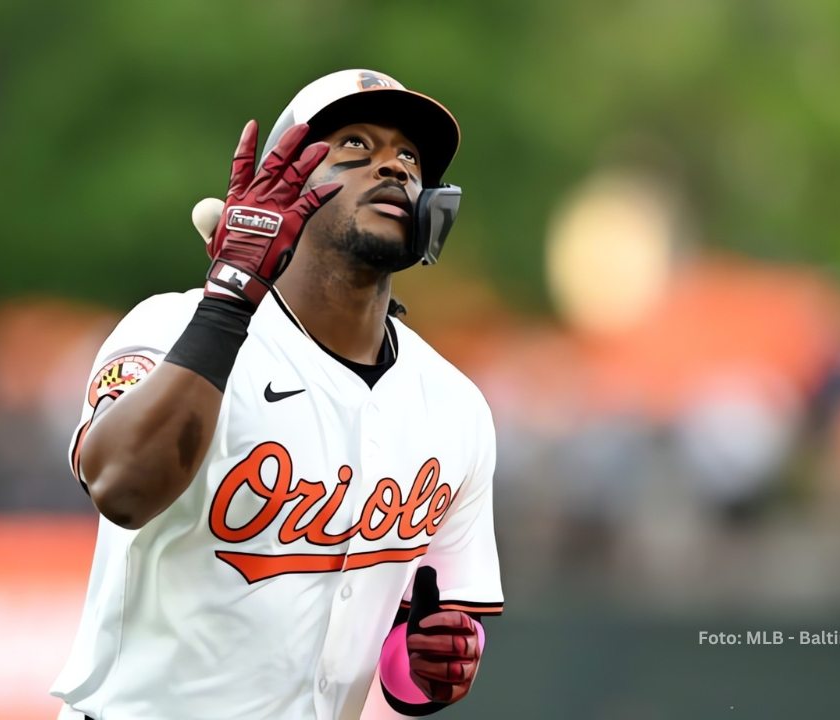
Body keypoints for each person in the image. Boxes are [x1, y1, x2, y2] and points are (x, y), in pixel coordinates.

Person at [52, 69, 503, 720]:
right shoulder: (173, 327)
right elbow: (122, 488)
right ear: (282, 182)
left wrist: (432, 663)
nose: (394, 168)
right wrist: (230, 299)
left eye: (410, 157)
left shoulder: (454, 406)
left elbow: (413, 656)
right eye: (355, 146)